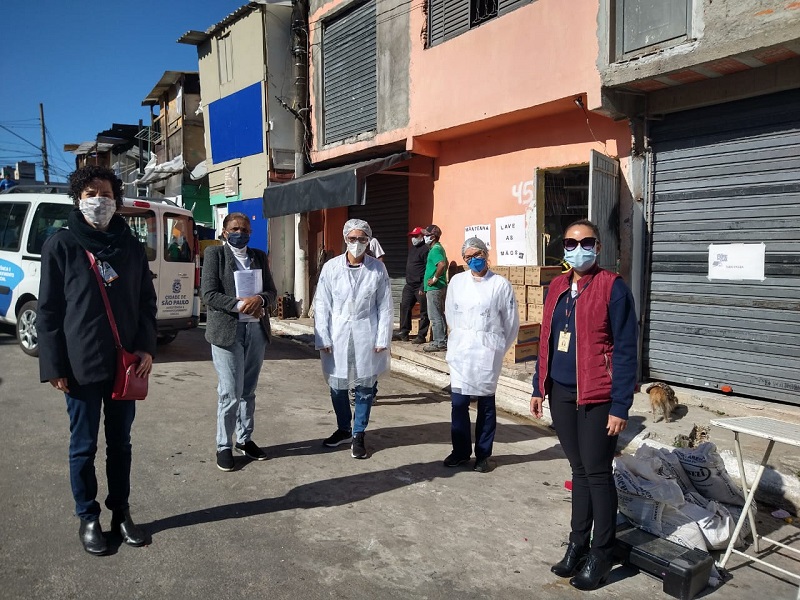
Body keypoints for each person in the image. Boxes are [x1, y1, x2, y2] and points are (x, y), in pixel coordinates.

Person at [37, 165, 157, 555]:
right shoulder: (62, 245)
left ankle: (120, 513)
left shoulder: (131, 246)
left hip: (124, 366)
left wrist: (147, 348)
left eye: (104, 193)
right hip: (80, 366)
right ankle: (87, 516)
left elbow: (145, 303)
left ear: (116, 199)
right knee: (83, 445)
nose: (97, 200)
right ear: (78, 198)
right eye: (89, 193)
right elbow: (49, 311)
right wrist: (54, 366)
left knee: (120, 444)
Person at [530, 219, 638, 591]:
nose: (578, 249)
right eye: (571, 243)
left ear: (599, 247)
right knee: (578, 469)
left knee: (597, 472)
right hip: (560, 391)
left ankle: (602, 551)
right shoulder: (558, 286)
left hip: (597, 395)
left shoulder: (613, 288)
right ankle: (578, 543)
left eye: (586, 242)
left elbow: (625, 350)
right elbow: (546, 337)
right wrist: (537, 386)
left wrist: (620, 405)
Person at [202, 213, 278, 472]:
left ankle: (244, 439)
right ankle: (224, 444)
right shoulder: (216, 256)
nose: (240, 232)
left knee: (248, 390)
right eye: (234, 228)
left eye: (244, 229)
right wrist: (240, 304)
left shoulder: (258, 256)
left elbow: (271, 291)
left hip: (255, 330)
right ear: (224, 232)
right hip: (227, 332)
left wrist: (261, 300)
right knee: (230, 392)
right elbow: (209, 294)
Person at [314, 218, 393, 459]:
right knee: (337, 386)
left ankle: (359, 433)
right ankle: (343, 428)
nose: (357, 243)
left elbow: (385, 306)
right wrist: (323, 336)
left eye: (362, 239)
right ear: (345, 238)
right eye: (352, 238)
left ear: (368, 241)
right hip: (337, 334)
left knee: (365, 387)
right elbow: (322, 303)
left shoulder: (378, 269)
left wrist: (382, 339)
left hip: (366, 332)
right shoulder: (331, 268)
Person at [443, 237, 518, 473]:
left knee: (486, 404)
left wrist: (497, 349)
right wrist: (461, 338)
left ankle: (483, 454)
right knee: (459, 403)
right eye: (468, 257)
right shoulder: (457, 282)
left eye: (478, 255)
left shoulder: (500, 285)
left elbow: (511, 323)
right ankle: (461, 451)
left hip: (488, 351)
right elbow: (450, 314)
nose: (473, 260)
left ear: (486, 254)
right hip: (462, 350)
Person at [392, 226, 430, 343]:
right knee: (405, 306)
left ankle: (421, 335)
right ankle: (404, 332)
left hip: (420, 285)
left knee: (424, 310)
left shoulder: (425, 249)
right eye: (412, 236)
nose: (413, 238)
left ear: (422, 236)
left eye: (415, 236)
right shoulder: (412, 249)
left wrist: (423, 286)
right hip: (409, 284)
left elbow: (427, 268)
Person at [422, 224, 448, 353]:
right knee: (439, 314)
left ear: (432, 237)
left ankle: (439, 342)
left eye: (426, 235)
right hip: (438, 287)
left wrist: (434, 279)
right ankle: (442, 340)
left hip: (435, 288)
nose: (424, 237)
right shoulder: (439, 248)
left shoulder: (435, 250)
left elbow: (442, 265)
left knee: (435, 315)